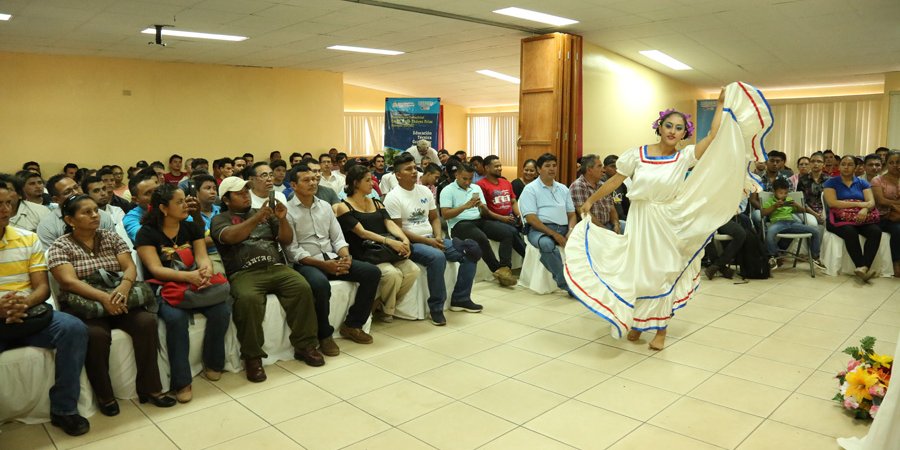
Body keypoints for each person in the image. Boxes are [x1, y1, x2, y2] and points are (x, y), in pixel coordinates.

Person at [571, 84, 766, 351]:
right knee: (639, 273)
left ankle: (661, 329)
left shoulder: (684, 157)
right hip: (641, 218)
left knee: (662, 274)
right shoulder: (637, 154)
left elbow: (714, 135)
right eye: (669, 126)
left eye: (679, 128)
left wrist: (720, 103)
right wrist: (591, 200)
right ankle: (639, 323)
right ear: (659, 127)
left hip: (668, 221)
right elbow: (615, 181)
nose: (673, 131)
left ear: (684, 134)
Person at [48, 195, 175, 415]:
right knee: (96, 335)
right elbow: (68, 281)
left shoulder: (110, 237)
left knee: (146, 321)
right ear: (70, 220)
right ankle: (105, 396)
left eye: (95, 210)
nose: (94, 215)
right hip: (85, 304)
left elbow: (129, 266)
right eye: (86, 212)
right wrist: (103, 298)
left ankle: (151, 388)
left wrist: (123, 288)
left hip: (118, 295)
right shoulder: (60, 245)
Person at [211, 176, 323, 382]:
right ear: (226, 200)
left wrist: (281, 219)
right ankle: (252, 358)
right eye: (239, 193)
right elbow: (230, 237)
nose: (246, 195)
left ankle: (305, 345)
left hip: (275, 266)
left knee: (302, 287)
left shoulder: (264, 213)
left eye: (247, 191)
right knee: (247, 299)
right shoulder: (220, 219)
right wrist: (256, 218)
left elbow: (286, 240)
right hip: (244, 273)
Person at [0, 184, 90, 436]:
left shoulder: (27, 238)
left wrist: (22, 304)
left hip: (28, 313)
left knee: (73, 329)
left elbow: (42, 289)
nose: (5, 209)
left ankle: (65, 409)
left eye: (9, 203)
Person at [135, 185, 232, 403]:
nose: (185, 205)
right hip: (166, 287)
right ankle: (182, 381)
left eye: (185, 200)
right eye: (179, 202)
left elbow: (202, 256)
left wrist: (205, 269)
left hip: (195, 283)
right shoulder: (147, 234)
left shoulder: (191, 227)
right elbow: (156, 269)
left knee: (221, 310)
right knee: (176, 320)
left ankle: (214, 362)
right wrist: (189, 277)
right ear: (163, 208)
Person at [286, 165, 379, 352]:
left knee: (372, 272)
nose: (313, 183)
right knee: (320, 285)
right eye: (306, 180)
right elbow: (292, 251)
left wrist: (346, 257)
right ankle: (325, 335)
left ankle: (352, 325)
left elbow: (337, 238)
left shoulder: (325, 206)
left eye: (314, 179)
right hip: (307, 263)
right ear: (294, 185)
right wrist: (323, 265)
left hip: (332, 257)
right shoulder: (288, 212)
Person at [384, 154, 482, 325]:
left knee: (471, 251)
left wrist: (437, 237)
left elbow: (435, 218)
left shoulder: (424, 191)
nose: (414, 172)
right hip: (411, 243)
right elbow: (398, 231)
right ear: (398, 175)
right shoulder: (393, 197)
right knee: (437, 257)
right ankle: (436, 307)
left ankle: (460, 298)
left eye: (415, 167)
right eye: (409, 169)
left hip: (433, 238)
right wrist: (429, 242)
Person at [334, 165, 419, 324]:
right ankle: (387, 311)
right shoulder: (343, 207)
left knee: (413, 270)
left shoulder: (376, 202)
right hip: (366, 252)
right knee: (392, 274)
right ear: (355, 183)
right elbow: (362, 232)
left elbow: (389, 223)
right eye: (367, 180)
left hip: (386, 250)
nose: (372, 183)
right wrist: (391, 242)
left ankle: (382, 306)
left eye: (372, 179)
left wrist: (404, 239)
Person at [440, 163, 521, 286]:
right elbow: (445, 214)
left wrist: (482, 207)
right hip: (459, 223)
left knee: (507, 233)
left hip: (478, 220)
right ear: (457, 175)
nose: (468, 182)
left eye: (470, 178)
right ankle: (496, 269)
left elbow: (484, 213)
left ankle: (505, 268)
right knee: (480, 237)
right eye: (464, 179)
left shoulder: (476, 188)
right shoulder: (447, 190)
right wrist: (465, 206)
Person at [518, 153, 577, 293]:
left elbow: (572, 214)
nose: (552, 169)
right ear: (539, 169)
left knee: (586, 239)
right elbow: (531, 219)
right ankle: (567, 285)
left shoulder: (563, 188)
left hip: (564, 228)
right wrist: (554, 234)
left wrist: (571, 230)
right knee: (547, 244)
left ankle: (585, 281)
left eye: (554, 166)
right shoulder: (530, 189)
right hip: (539, 229)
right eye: (547, 166)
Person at [824, 155, 883, 282]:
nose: (846, 167)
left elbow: (871, 202)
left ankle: (864, 268)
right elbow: (833, 203)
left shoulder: (862, 183)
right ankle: (861, 267)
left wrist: (865, 209)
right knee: (850, 231)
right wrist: (859, 204)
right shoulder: (831, 182)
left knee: (875, 231)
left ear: (856, 167)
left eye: (850, 164)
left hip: (860, 218)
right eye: (843, 164)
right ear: (839, 166)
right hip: (837, 219)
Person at [37, 174, 117, 249]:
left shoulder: (101, 215)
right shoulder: (47, 226)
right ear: (56, 199)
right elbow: (52, 259)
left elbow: (115, 247)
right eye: (68, 192)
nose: (76, 193)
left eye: (76, 187)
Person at [761, 179, 825, 269]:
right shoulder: (770, 201)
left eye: (786, 193)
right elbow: (763, 213)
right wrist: (774, 206)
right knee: (770, 232)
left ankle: (815, 257)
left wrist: (795, 205)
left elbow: (803, 210)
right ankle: (772, 256)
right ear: (774, 192)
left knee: (815, 231)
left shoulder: (790, 200)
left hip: (791, 222)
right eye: (781, 193)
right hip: (778, 223)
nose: (783, 195)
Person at [569, 155, 620, 232]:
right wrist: (605, 230)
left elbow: (612, 209)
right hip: (589, 228)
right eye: (599, 166)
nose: (603, 170)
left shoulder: (602, 185)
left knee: (628, 228)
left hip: (608, 224)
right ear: (589, 170)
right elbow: (585, 214)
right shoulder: (578, 186)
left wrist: (616, 224)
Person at [870, 150, 900, 277]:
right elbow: (881, 201)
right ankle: (897, 263)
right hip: (882, 217)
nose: (895, 165)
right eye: (891, 162)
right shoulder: (878, 180)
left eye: (898, 162)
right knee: (898, 230)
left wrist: (894, 205)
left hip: (897, 215)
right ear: (886, 164)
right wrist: (895, 204)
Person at [477, 155, 525, 231]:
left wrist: (519, 216)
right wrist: (502, 218)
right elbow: (484, 210)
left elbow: (513, 202)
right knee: (512, 232)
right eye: (496, 166)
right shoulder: (481, 185)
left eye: (500, 166)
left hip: (510, 218)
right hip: (493, 220)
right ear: (487, 168)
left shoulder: (506, 183)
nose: (500, 168)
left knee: (527, 225)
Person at [81, 175, 130, 245]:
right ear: (86, 195)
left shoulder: (116, 211)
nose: (103, 193)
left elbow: (122, 238)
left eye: (104, 189)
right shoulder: (82, 215)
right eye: (96, 191)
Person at [122, 168, 160, 244]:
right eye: (148, 193)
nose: (156, 195)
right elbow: (145, 238)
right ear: (135, 200)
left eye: (156, 190)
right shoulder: (130, 218)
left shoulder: (169, 207)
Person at [797, 151, 831, 224]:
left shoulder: (830, 180)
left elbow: (831, 200)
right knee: (812, 223)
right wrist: (815, 214)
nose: (815, 164)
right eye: (812, 161)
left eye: (819, 161)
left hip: (826, 211)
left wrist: (823, 213)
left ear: (824, 164)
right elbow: (802, 201)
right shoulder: (803, 180)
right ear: (810, 164)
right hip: (808, 212)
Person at [601, 155, 631, 220]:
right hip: (608, 220)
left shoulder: (622, 185)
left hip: (622, 218)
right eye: (613, 166)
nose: (616, 169)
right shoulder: (600, 184)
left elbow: (626, 207)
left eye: (618, 167)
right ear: (604, 168)